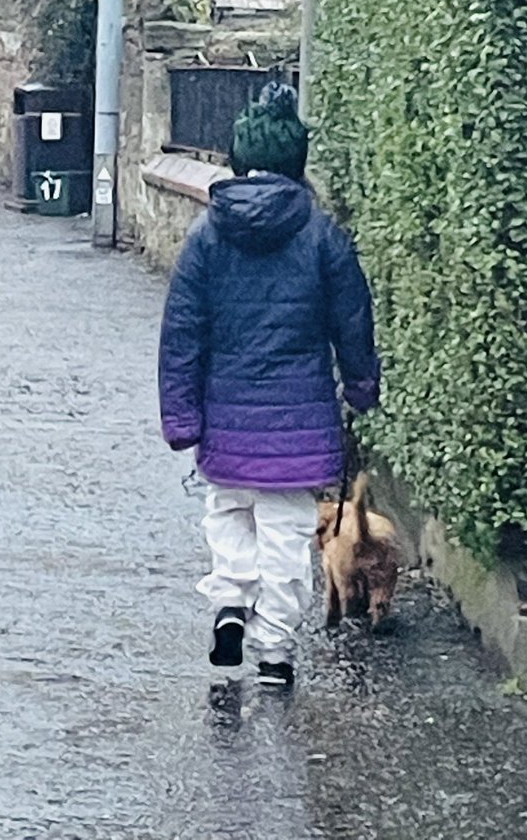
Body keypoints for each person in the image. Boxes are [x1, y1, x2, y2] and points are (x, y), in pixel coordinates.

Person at [158, 82, 380, 688]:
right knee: (285, 535)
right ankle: (275, 649)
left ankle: (229, 602)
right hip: (299, 422)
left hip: (225, 419)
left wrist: (181, 418)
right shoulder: (323, 237)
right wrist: (361, 388)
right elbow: (352, 322)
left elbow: (182, 332)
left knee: (229, 513)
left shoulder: (206, 237)